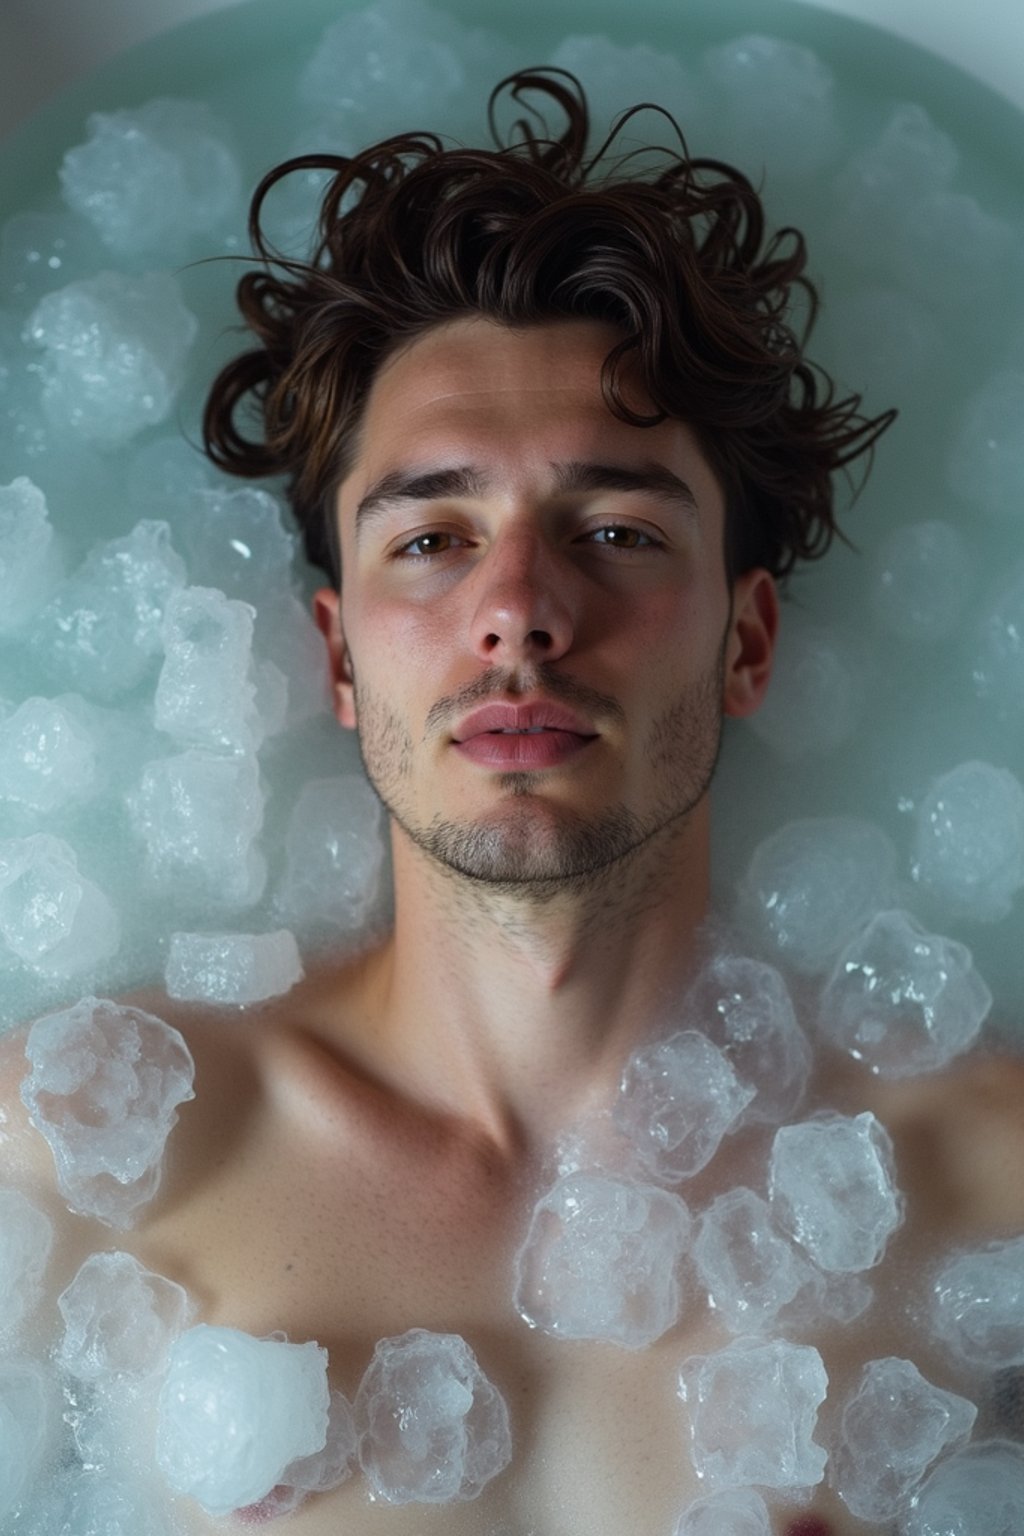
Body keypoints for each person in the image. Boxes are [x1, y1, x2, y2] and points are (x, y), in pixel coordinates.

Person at [3, 67, 1023, 1536]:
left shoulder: (981, 1198)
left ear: (745, 640)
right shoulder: (83, 1168)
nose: (522, 612)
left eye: (612, 528)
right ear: (339, 657)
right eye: (431, 537)